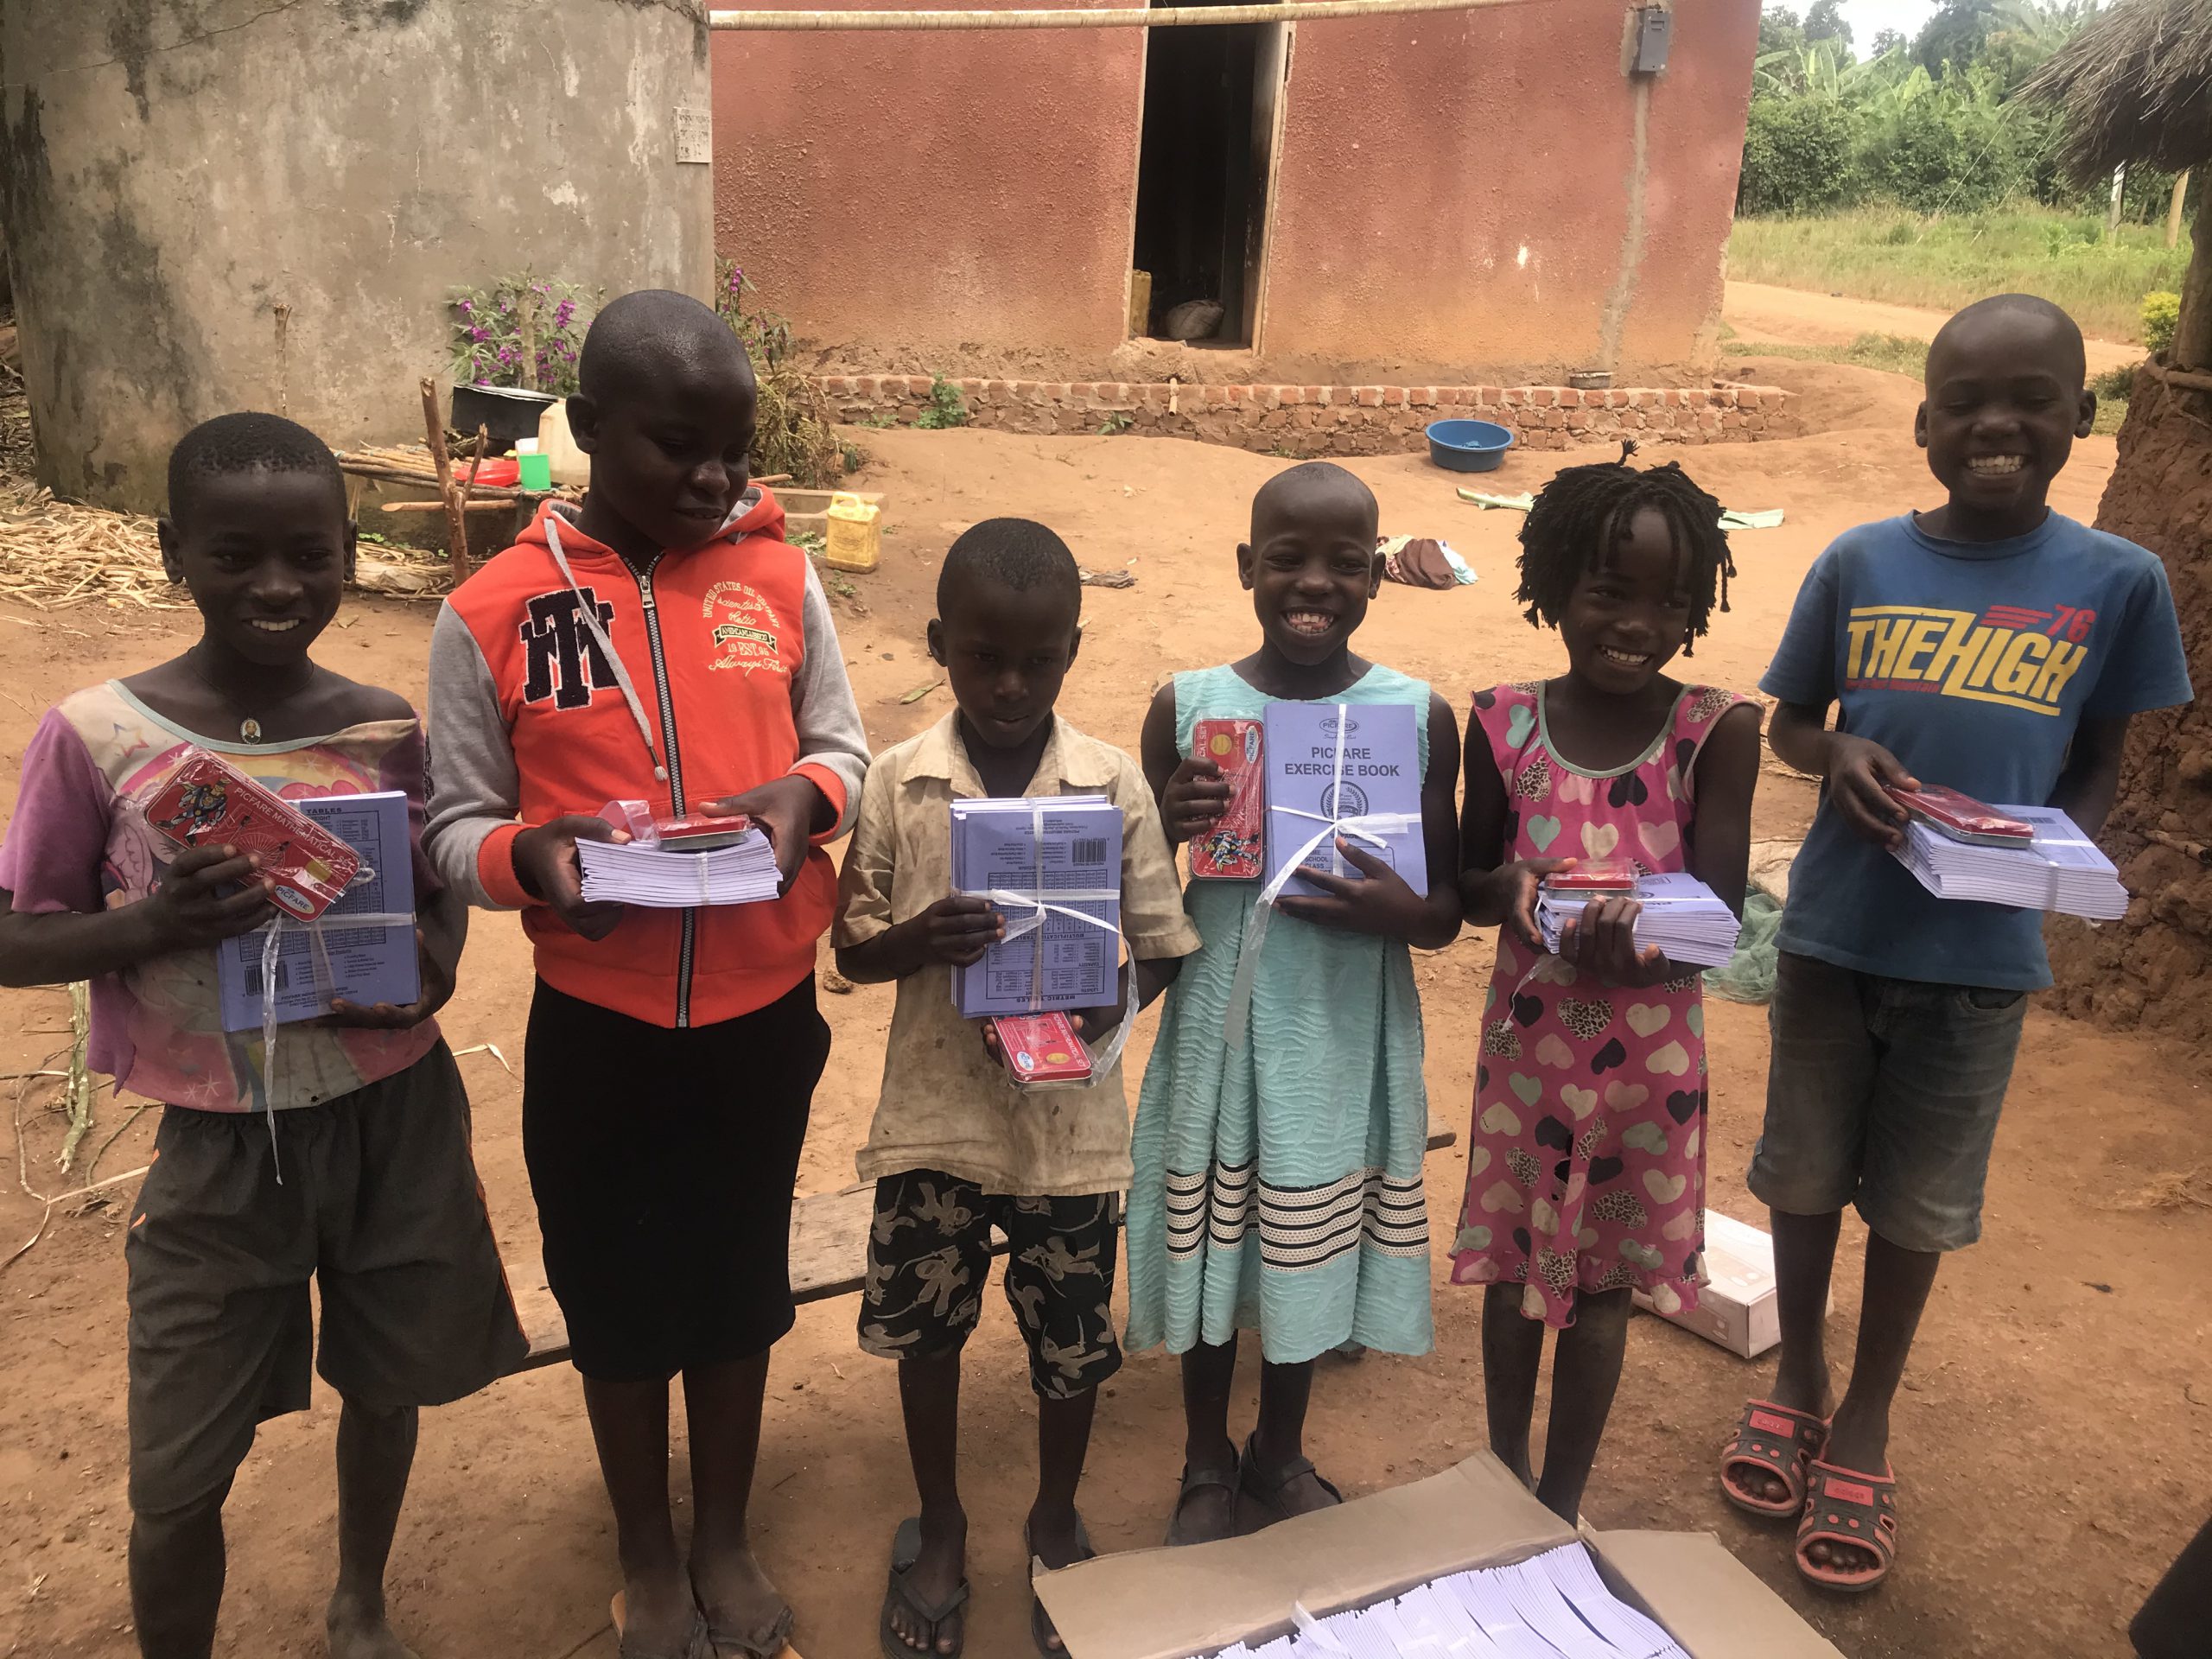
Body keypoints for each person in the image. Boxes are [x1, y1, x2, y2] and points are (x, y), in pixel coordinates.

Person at [0, 412, 524, 1659]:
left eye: (310, 555)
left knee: (387, 1380)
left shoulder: (382, 727)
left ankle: (360, 1601)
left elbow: (434, 895)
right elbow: (16, 939)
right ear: (171, 551)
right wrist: (152, 924)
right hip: (217, 1147)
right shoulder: (99, 738)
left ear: (351, 551)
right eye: (235, 557)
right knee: (178, 1468)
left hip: (393, 1112)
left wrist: (433, 973)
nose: (278, 587)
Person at [423, 291, 869, 1659]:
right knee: (614, 1293)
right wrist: (525, 858)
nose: (714, 478)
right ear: (590, 425)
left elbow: (845, 750)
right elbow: (451, 826)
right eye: (679, 445)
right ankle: (647, 1551)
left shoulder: (780, 581)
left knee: (738, 1278)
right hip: (599, 1028)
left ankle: (722, 1534)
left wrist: (804, 801)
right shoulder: (490, 612)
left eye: (734, 451)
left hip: (760, 1017)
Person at [1723, 295, 2191, 1592]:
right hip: (1834, 933)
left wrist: (2042, 855)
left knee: (1919, 1202)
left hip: (1980, 960)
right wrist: (1838, 751)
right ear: (1922, 421)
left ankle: (1867, 1414)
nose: (1997, 425)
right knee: (1803, 1173)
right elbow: (1792, 723)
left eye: (2032, 400)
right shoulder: (1858, 562)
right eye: (1965, 402)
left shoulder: (2119, 583)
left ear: (2080, 415)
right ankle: (1800, 1375)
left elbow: (2098, 761)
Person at [835, 518, 1200, 1658]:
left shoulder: (1111, 784)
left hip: (1069, 1132)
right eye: (982, 656)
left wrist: (1106, 1002)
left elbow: (1161, 943)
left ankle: (1052, 1516)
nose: (1008, 685)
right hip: (935, 1124)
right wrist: (917, 942)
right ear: (938, 643)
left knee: (1070, 1340)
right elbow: (851, 949)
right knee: (928, 1335)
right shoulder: (899, 781)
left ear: (1072, 652)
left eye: (1038, 661)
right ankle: (940, 1522)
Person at [1125, 461, 1463, 1545]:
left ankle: (1278, 1450)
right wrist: (1168, 819)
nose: (1314, 583)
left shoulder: (1415, 717)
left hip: (1339, 1029)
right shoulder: (1189, 708)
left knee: (1305, 1241)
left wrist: (1397, 910)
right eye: (1286, 559)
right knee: (1211, 1238)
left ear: (1377, 576)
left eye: (1343, 563)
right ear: (1246, 568)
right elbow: (1143, 885)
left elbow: (1443, 912)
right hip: (1221, 1022)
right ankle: (1203, 1458)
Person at [1452, 448, 1760, 1524]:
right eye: (1609, 592)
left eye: (1668, 603)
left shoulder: (1715, 731)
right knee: (1510, 1273)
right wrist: (1512, 888)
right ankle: (1501, 1472)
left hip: (1646, 1074)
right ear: (1553, 586)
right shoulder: (1501, 722)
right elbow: (1469, 882)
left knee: (1603, 1288)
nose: (1637, 624)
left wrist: (1647, 945)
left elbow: (1718, 918)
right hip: (1528, 1059)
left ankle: (1559, 1499)